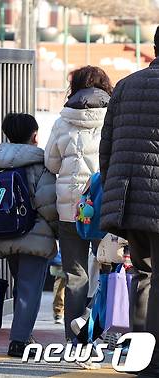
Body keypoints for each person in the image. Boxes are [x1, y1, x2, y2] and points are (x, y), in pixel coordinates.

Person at [98, 26, 159, 377]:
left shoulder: (126, 85)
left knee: (144, 275)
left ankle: (139, 354)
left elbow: (106, 148)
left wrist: (112, 187)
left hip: (128, 198)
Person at [0, 113, 59, 357]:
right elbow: (48, 204)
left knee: (21, 288)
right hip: (35, 235)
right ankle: (19, 341)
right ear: (34, 136)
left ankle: (22, 334)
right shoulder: (39, 165)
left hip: (5, 234)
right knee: (29, 290)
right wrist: (58, 232)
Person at [44, 65, 112, 340]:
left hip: (70, 209)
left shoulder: (63, 120)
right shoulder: (113, 116)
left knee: (75, 275)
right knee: (109, 269)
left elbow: (51, 162)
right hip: (104, 206)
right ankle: (100, 329)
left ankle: (74, 338)